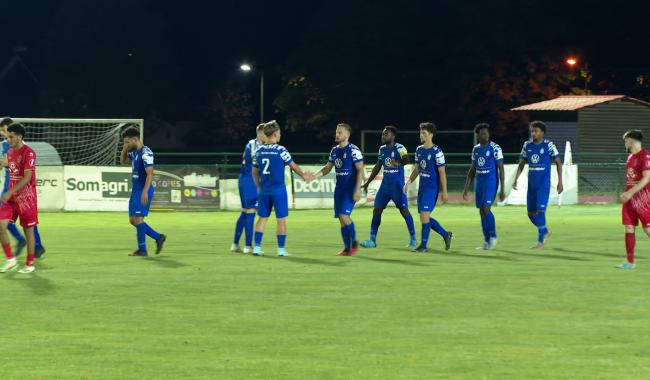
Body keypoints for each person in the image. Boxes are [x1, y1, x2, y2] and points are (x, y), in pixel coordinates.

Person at [252, 121, 314, 256]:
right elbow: (293, 166)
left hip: (264, 190)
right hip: (278, 190)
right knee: (281, 219)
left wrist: (259, 186)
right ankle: (281, 250)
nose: (280, 135)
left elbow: (254, 171)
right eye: (279, 133)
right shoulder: (280, 150)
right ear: (274, 134)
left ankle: (256, 248)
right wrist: (304, 175)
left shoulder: (258, 151)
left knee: (262, 218)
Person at [360, 126, 417, 248]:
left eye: (386, 134)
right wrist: (367, 182)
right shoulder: (382, 149)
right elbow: (378, 166)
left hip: (397, 186)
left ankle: (413, 239)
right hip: (385, 186)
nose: (383, 136)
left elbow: (406, 160)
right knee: (377, 210)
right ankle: (372, 240)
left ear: (393, 136)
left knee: (403, 210)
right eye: (382, 134)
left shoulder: (400, 147)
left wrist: (398, 163)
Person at [313, 123, 364, 256]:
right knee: (341, 220)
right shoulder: (334, 150)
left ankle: (355, 243)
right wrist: (314, 176)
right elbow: (327, 168)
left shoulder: (353, 150)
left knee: (344, 215)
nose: (337, 134)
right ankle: (347, 249)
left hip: (350, 189)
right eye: (336, 132)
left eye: (340, 132)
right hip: (339, 190)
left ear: (347, 135)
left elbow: (360, 170)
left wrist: (357, 189)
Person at [513, 121, 563, 249]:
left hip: (543, 186)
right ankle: (545, 230)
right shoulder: (527, 145)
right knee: (530, 214)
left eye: (536, 131)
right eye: (532, 131)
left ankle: (541, 242)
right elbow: (522, 163)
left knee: (540, 212)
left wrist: (560, 181)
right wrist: (516, 179)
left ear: (542, 133)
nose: (533, 133)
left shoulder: (549, 145)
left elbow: (558, 162)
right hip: (532, 187)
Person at [0, 117, 45, 257]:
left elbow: (12, 163)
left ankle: (25, 241)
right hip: (9, 182)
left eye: (3, 130)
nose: (2, 133)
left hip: (14, 185)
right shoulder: (6, 144)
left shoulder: (16, 145)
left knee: (23, 217)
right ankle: (34, 244)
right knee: (24, 218)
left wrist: (4, 163)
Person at [404, 122, 452, 252]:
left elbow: (442, 172)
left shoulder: (437, 151)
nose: (421, 135)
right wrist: (408, 182)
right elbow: (417, 169)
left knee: (424, 215)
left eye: (424, 133)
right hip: (422, 188)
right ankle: (445, 234)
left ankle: (423, 246)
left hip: (432, 188)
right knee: (424, 217)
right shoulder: (419, 150)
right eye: (420, 132)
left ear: (431, 135)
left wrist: (445, 192)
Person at [120, 127, 166, 256]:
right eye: (125, 142)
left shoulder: (146, 152)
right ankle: (158, 237)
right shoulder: (134, 152)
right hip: (136, 189)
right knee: (133, 220)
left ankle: (142, 249)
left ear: (135, 139)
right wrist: (124, 147)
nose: (126, 144)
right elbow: (123, 161)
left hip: (143, 189)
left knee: (138, 219)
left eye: (128, 142)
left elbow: (150, 174)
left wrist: (145, 192)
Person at [462, 123, 505, 250]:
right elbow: (472, 169)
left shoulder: (495, 148)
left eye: (487, 133)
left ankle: (493, 236)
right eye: (482, 133)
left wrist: (502, 189)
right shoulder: (476, 149)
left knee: (486, 208)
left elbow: (501, 169)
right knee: (481, 211)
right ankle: (486, 241)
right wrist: (466, 188)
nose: (485, 135)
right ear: (478, 135)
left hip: (491, 181)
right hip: (480, 182)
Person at [618, 130, 650, 269]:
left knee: (648, 229)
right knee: (629, 227)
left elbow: (647, 178)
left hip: (643, 198)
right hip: (629, 198)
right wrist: (627, 194)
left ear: (630, 140)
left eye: (625, 141)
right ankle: (630, 262)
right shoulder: (630, 157)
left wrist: (630, 193)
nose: (625, 144)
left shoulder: (646, 156)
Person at [231, 123, 265, 254]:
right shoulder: (254, 145)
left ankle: (235, 244)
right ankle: (248, 246)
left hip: (244, 179)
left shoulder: (251, 144)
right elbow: (256, 163)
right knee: (251, 211)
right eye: (265, 133)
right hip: (250, 180)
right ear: (259, 133)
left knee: (245, 212)